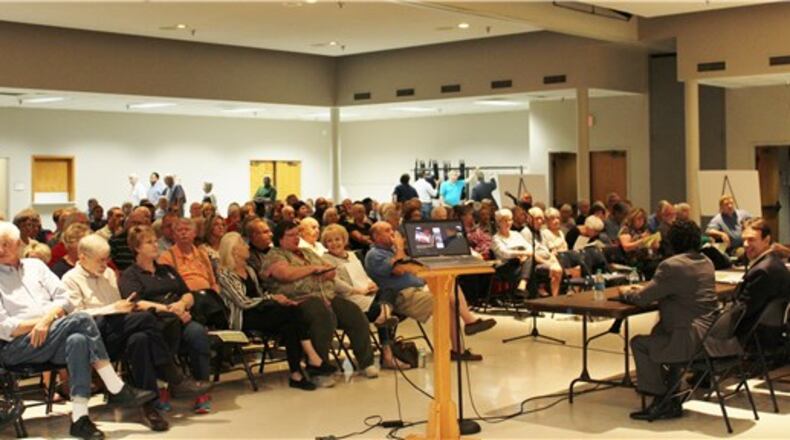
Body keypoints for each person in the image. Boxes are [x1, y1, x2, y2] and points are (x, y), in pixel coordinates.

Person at [0, 222, 156, 440]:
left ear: (17, 244)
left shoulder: (36, 267)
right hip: (17, 345)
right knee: (82, 318)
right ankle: (115, 386)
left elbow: (64, 299)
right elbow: (6, 327)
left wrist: (47, 319)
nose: (1, 250)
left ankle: (80, 419)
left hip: (51, 336)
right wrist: (43, 322)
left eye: (6, 244)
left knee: (78, 341)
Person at [63, 234, 209, 430]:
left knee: (140, 339)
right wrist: (113, 309)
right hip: (93, 336)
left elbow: (118, 306)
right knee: (147, 318)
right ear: (82, 257)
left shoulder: (108, 274)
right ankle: (172, 375)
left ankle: (149, 406)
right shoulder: (70, 279)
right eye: (100, 260)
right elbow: (77, 317)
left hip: (115, 327)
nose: (105, 264)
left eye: (107, 259)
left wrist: (123, 307)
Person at [619, 220, 740, 421]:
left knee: (639, 343)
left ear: (672, 241)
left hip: (687, 340)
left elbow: (642, 298)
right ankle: (674, 391)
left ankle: (663, 400)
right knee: (660, 332)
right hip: (710, 337)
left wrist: (625, 292)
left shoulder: (671, 266)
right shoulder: (706, 262)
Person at [215, 232, 333, 390]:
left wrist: (277, 299)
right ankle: (312, 359)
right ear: (235, 250)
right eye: (243, 244)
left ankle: (296, 374)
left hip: (260, 310)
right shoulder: (224, 273)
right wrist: (271, 298)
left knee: (290, 322)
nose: (247, 247)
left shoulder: (249, 270)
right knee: (292, 314)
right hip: (244, 316)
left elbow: (258, 295)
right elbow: (242, 301)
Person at [366, 221, 496, 361]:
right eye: (387, 230)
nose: (392, 233)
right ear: (376, 236)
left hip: (420, 288)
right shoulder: (374, 255)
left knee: (448, 283)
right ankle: (464, 333)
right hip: (402, 296)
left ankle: (466, 328)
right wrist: (399, 247)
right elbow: (399, 269)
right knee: (446, 301)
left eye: (392, 229)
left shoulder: (392, 251)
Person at [264, 221, 379, 378]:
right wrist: (312, 270)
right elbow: (286, 275)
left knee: (353, 313)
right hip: (298, 300)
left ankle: (366, 362)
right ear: (280, 238)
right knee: (321, 315)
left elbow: (330, 271)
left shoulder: (307, 252)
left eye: (297, 234)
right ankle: (319, 368)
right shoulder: (275, 255)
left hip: (326, 295)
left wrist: (315, 272)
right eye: (291, 235)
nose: (296, 238)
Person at [118, 225, 214, 413]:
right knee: (156, 333)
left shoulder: (167, 270)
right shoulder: (130, 275)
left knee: (197, 334)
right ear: (137, 248)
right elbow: (136, 303)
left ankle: (199, 388)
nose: (156, 246)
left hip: (179, 317)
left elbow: (188, 294)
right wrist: (170, 309)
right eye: (149, 242)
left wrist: (182, 305)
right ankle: (166, 385)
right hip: (155, 321)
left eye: (155, 241)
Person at [321, 225, 407, 370]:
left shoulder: (352, 255)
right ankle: (387, 354)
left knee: (390, 289)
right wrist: (355, 290)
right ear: (325, 244)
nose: (334, 243)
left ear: (344, 240)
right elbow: (335, 283)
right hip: (350, 299)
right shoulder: (325, 259)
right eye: (330, 241)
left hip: (366, 293)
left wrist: (371, 283)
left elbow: (362, 275)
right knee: (386, 311)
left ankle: (384, 313)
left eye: (337, 239)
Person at [733, 218, 790, 343]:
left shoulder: (762, 271)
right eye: (744, 240)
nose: (746, 244)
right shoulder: (773, 262)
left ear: (766, 240)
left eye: (751, 239)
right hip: (770, 331)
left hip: (756, 336)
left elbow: (741, 312)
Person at [521, 207, 563, 297]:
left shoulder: (540, 232)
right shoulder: (526, 232)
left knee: (560, 266)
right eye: (537, 219)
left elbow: (547, 250)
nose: (540, 221)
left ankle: (555, 297)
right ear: (529, 219)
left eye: (541, 218)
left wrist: (553, 261)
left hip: (546, 258)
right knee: (556, 269)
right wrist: (548, 263)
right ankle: (552, 297)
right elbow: (532, 254)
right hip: (535, 263)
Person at [491, 209, 533, 281]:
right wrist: (523, 253)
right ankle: (523, 285)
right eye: (505, 220)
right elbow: (505, 254)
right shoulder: (496, 238)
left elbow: (529, 248)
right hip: (505, 266)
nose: (508, 223)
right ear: (498, 222)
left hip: (520, 264)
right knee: (528, 265)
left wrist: (524, 256)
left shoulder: (516, 234)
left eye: (510, 220)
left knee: (529, 259)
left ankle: (522, 286)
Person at [110, 207, 152, 271]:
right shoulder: (115, 241)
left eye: (139, 223)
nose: (136, 226)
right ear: (127, 224)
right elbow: (110, 264)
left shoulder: (148, 242)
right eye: (134, 223)